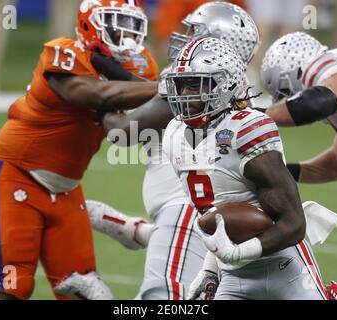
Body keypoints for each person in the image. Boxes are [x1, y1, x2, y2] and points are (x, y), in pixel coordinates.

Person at [0, 0, 158, 300]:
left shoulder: (139, 66)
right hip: (16, 176)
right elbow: (92, 93)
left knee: (82, 288)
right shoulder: (63, 52)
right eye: (117, 23)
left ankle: (109, 218)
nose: (126, 33)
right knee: (15, 286)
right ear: (91, 23)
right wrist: (164, 87)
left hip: (66, 190)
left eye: (133, 24)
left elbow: (127, 124)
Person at [84, 2, 261, 300]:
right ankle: (142, 233)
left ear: (216, 42)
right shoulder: (231, 83)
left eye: (193, 31)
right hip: (216, 211)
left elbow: (124, 131)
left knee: (164, 297)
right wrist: (115, 73)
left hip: (187, 209)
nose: (182, 36)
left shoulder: (196, 82)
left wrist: (98, 100)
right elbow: (158, 94)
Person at [162, 37, 326, 300]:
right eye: (181, 85)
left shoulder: (246, 128)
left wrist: (238, 253)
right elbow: (218, 213)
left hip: (284, 267)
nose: (184, 95)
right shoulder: (174, 135)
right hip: (233, 276)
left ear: (225, 84)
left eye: (195, 84)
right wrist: (211, 269)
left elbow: (294, 224)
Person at [260, 31, 337, 300]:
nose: (287, 101)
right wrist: (281, 173)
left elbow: (315, 103)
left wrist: (259, 117)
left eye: (287, 95)